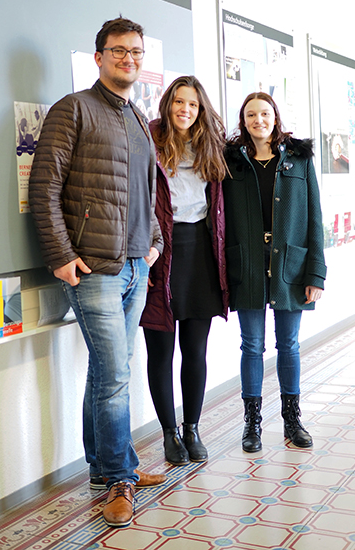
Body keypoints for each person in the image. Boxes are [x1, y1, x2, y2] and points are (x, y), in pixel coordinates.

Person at [29, 17, 166, 529]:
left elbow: (148, 193)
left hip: (134, 266)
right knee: (116, 375)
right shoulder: (75, 109)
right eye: (118, 51)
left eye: (136, 52)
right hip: (95, 268)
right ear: (99, 57)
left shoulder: (135, 115)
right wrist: (62, 256)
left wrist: (152, 244)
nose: (128, 59)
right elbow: (44, 187)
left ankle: (103, 467)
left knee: (108, 372)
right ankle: (118, 478)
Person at [223, 92, 327, 453]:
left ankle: (292, 420)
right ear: (243, 120)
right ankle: (252, 424)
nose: (258, 120)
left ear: (275, 117)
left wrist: (317, 273)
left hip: (291, 263)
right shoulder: (231, 162)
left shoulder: (298, 159)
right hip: (248, 261)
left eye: (264, 113)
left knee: (289, 345)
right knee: (251, 345)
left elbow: (314, 216)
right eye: (251, 114)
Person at [140, 76, 229, 466]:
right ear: (167, 103)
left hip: (201, 251)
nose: (185, 110)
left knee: (195, 349)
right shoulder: (149, 138)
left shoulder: (211, 143)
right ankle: (168, 433)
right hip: (160, 249)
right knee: (160, 350)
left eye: (192, 104)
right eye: (178, 102)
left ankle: (192, 428)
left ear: (201, 108)